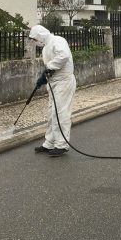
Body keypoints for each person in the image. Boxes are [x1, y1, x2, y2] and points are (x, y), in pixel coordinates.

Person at [28, 25, 76, 157]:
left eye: (34, 39)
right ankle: (49, 143)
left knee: (60, 113)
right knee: (51, 113)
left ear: (40, 36)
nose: (34, 42)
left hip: (64, 82)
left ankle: (61, 145)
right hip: (54, 83)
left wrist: (49, 68)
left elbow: (63, 56)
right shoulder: (45, 48)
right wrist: (44, 77)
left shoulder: (57, 41)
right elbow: (51, 66)